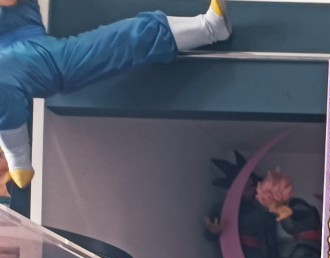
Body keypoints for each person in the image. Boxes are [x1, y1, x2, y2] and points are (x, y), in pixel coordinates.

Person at [0, 0, 231, 191]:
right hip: (31, 63)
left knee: (120, 40)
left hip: (20, 36)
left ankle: (208, 28)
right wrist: (17, 158)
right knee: (120, 41)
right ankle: (209, 28)